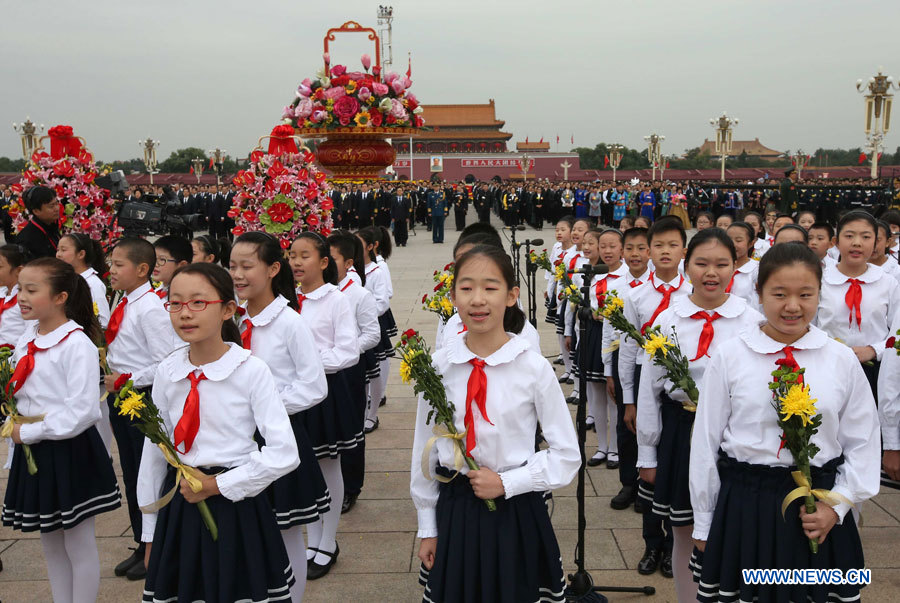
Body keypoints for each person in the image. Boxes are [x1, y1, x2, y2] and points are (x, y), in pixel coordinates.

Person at [689, 243, 880, 603]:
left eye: (805, 294)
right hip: (748, 506)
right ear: (758, 292)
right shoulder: (730, 355)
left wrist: (837, 506)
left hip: (818, 511)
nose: (792, 306)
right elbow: (705, 442)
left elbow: (863, 441)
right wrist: (704, 519)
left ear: (819, 294)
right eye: (779, 294)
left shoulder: (840, 358)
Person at [412, 245, 580, 603]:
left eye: (490, 288)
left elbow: (567, 455)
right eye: (466, 288)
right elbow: (424, 451)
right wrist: (427, 525)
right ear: (452, 296)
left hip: (516, 511)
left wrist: (507, 482)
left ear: (511, 295)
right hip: (456, 508)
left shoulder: (533, 368)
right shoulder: (439, 366)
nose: (478, 299)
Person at [137, 263, 300, 602]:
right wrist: (149, 535)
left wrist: (217, 485)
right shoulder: (168, 371)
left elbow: (284, 452)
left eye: (198, 302)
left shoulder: (250, 370)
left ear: (227, 309)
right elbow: (155, 453)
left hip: (236, 507)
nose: (185, 313)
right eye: (176, 303)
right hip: (181, 503)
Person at [637, 228, 762, 602]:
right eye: (702, 263)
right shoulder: (668, 320)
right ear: (686, 265)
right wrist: (647, 452)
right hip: (683, 432)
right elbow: (650, 390)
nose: (711, 272)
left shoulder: (751, 321)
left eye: (722, 264)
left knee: (735, 526)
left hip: (734, 436)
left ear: (734, 267)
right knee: (686, 531)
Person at [2, 258, 120, 603]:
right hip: (34, 449)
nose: (22, 297)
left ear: (60, 297)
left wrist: (29, 432)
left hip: (69, 450)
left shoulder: (76, 344)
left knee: (78, 543)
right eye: (20, 288)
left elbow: (83, 411)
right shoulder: (29, 336)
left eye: (31, 290)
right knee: (50, 541)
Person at [231, 232, 329, 601]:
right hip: (238, 438)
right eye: (232, 266)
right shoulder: (233, 319)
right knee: (249, 527)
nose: (237, 274)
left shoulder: (289, 322)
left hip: (278, 437)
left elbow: (314, 386)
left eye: (247, 266)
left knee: (286, 531)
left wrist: (267, 407)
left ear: (273, 269)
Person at [619, 217, 690, 578]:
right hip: (646, 387)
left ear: (684, 250)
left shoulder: (692, 293)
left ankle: (675, 545)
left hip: (681, 390)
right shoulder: (636, 295)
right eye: (658, 245)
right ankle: (652, 543)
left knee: (676, 468)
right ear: (648, 251)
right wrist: (628, 399)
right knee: (648, 468)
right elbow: (629, 347)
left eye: (672, 245)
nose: (665, 252)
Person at [104, 237, 179, 581]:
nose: (111, 270)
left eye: (119, 264)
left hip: (142, 398)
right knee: (133, 470)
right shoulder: (125, 300)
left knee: (146, 473)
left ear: (142, 269)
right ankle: (141, 540)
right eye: (111, 263)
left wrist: (126, 379)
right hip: (122, 396)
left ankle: (154, 543)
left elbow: (165, 361)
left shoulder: (150, 308)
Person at [288, 232, 361, 579]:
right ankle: (312, 539)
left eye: (305, 256)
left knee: (328, 466)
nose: (296, 262)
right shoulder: (288, 300)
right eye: (292, 255)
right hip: (294, 393)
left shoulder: (335, 299)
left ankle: (327, 542)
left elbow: (348, 351)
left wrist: (310, 362)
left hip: (326, 392)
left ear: (323, 262)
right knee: (304, 467)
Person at [815, 210, 899, 398]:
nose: (857, 243)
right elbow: (808, 326)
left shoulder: (888, 283)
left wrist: (874, 350)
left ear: (876, 243)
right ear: (836, 242)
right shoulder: (820, 281)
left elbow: (897, 332)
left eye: (866, 237)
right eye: (849, 236)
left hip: (874, 370)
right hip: (827, 367)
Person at [328, 232, 382, 515]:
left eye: (331, 258)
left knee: (350, 430)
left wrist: (346, 351)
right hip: (320, 370)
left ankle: (350, 487)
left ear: (348, 262)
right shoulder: (310, 294)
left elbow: (372, 334)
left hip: (348, 371)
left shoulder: (358, 294)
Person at [603, 227, 651, 511]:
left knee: (649, 423)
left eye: (641, 248)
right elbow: (609, 330)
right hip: (624, 360)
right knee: (626, 422)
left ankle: (648, 484)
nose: (635, 254)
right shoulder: (616, 286)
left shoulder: (656, 286)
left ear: (650, 251)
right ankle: (628, 482)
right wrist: (608, 370)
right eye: (630, 248)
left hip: (652, 362)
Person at [576, 229, 626, 468]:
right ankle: (601, 446)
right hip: (594, 333)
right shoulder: (591, 274)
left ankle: (615, 448)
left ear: (622, 249)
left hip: (617, 338)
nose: (607, 251)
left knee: (613, 393)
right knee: (595, 392)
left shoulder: (627, 277)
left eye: (612, 246)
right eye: (603, 246)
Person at [358, 227, 396, 432]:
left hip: (373, 320)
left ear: (371, 247)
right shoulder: (351, 271)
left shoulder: (378, 269)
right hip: (357, 325)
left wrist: (365, 311)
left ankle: (376, 402)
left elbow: (385, 297)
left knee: (377, 363)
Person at [14, 186, 60, 259]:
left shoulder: (51, 227)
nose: (57, 208)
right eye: (51, 206)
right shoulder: (26, 239)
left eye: (56, 203)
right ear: (36, 211)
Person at [0, 245, 32, 348]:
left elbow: (31, 334)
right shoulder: (2, 293)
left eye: (0, 267)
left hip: (14, 354)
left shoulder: (27, 299)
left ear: (18, 271)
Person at [724, 222, 759, 305]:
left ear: (751, 243)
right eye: (729, 239)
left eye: (738, 240)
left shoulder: (758, 270)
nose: (733, 244)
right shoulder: (718, 267)